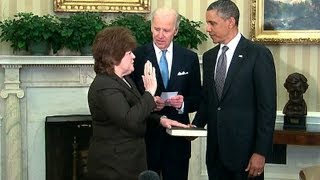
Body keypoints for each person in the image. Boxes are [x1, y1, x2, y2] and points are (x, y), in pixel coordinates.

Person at [86, 26, 188, 180]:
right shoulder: (104, 85)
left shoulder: (125, 80)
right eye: (128, 53)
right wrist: (149, 91)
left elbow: (136, 111)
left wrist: (160, 120)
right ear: (115, 56)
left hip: (130, 162)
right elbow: (129, 120)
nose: (134, 56)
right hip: (113, 167)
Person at [191, 1, 277, 180]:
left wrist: (261, 152)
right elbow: (208, 99)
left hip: (246, 157)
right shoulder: (209, 57)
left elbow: (267, 108)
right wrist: (195, 126)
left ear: (230, 22)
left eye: (212, 23)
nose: (207, 28)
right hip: (215, 155)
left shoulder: (258, 54)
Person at [131, 7, 202, 180]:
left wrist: (183, 103)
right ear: (151, 27)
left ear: (176, 31)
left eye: (166, 30)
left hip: (177, 142)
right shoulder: (136, 57)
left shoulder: (189, 58)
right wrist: (149, 101)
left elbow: (198, 99)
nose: (160, 35)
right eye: (156, 29)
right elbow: (130, 98)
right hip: (146, 139)